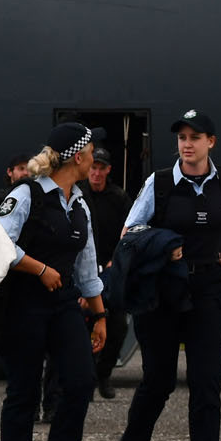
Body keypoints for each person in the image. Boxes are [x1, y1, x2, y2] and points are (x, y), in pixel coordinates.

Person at [116, 109, 221, 441]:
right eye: (182, 137)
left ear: (210, 142)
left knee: (206, 382)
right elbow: (130, 232)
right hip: (163, 290)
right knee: (159, 382)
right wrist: (166, 247)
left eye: (195, 137)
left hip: (209, 287)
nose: (187, 144)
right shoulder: (160, 183)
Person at [0, 122, 108, 441]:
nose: (94, 156)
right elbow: (0, 245)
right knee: (23, 392)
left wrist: (100, 315)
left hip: (63, 306)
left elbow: (87, 267)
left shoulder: (79, 203)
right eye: (91, 149)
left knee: (79, 383)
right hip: (24, 304)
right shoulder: (26, 196)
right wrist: (39, 269)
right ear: (78, 156)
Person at [82, 146, 132, 398]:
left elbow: (131, 232)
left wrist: (116, 261)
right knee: (83, 325)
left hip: (111, 270)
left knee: (117, 326)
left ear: (108, 170)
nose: (97, 173)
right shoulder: (79, 195)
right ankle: (87, 377)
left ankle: (104, 374)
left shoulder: (119, 198)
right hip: (86, 269)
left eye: (102, 168)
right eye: (94, 167)